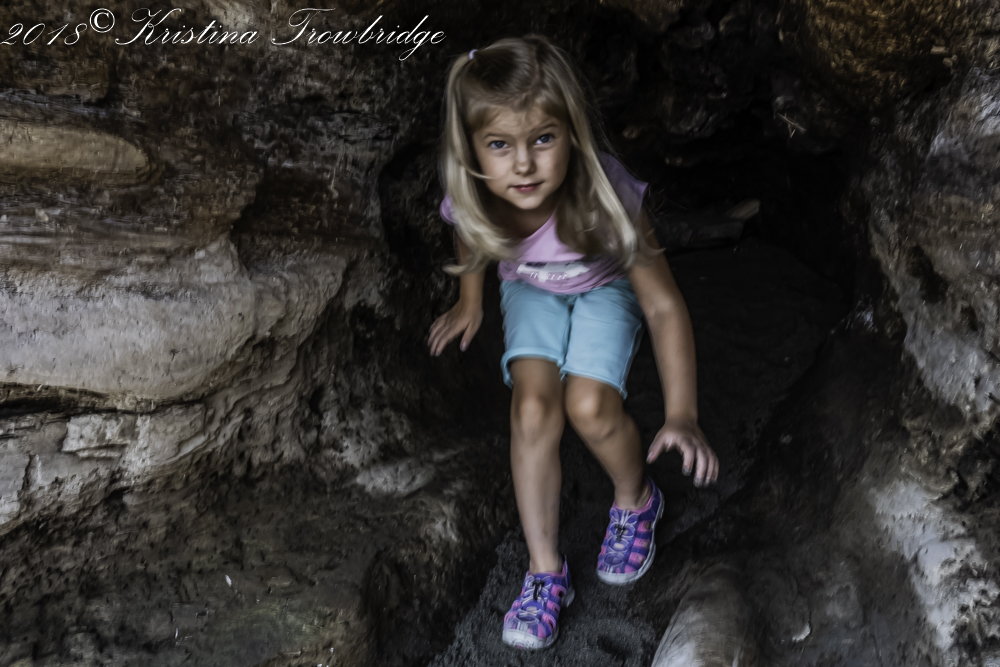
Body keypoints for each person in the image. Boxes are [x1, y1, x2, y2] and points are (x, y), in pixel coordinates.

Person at [426, 35, 719, 650]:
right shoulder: (479, 192)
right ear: (473, 149)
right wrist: (471, 299)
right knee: (533, 409)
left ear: (572, 132)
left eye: (542, 139)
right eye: (499, 145)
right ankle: (544, 572)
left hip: (603, 284)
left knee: (588, 405)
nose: (523, 165)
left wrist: (683, 415)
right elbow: (467, 230)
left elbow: (663, 304)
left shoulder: (606, 195)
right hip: (531, 287)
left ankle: (635, 498)